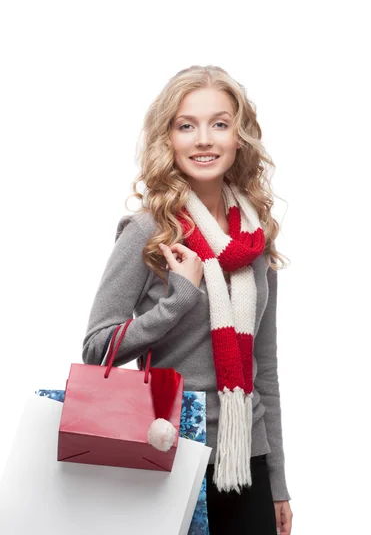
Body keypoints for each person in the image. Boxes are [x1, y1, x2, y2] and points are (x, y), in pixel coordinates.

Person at [82, 65, 294, 535]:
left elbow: (267, 366)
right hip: (170, 449)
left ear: (240, 137)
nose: (203, 139)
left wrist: (278, 482)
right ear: (169, 139)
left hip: (247, 460)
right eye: (186, 125)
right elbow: (98, 349)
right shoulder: (148, 232)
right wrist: (179, 297)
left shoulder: (256, 240)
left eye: (219, 123)